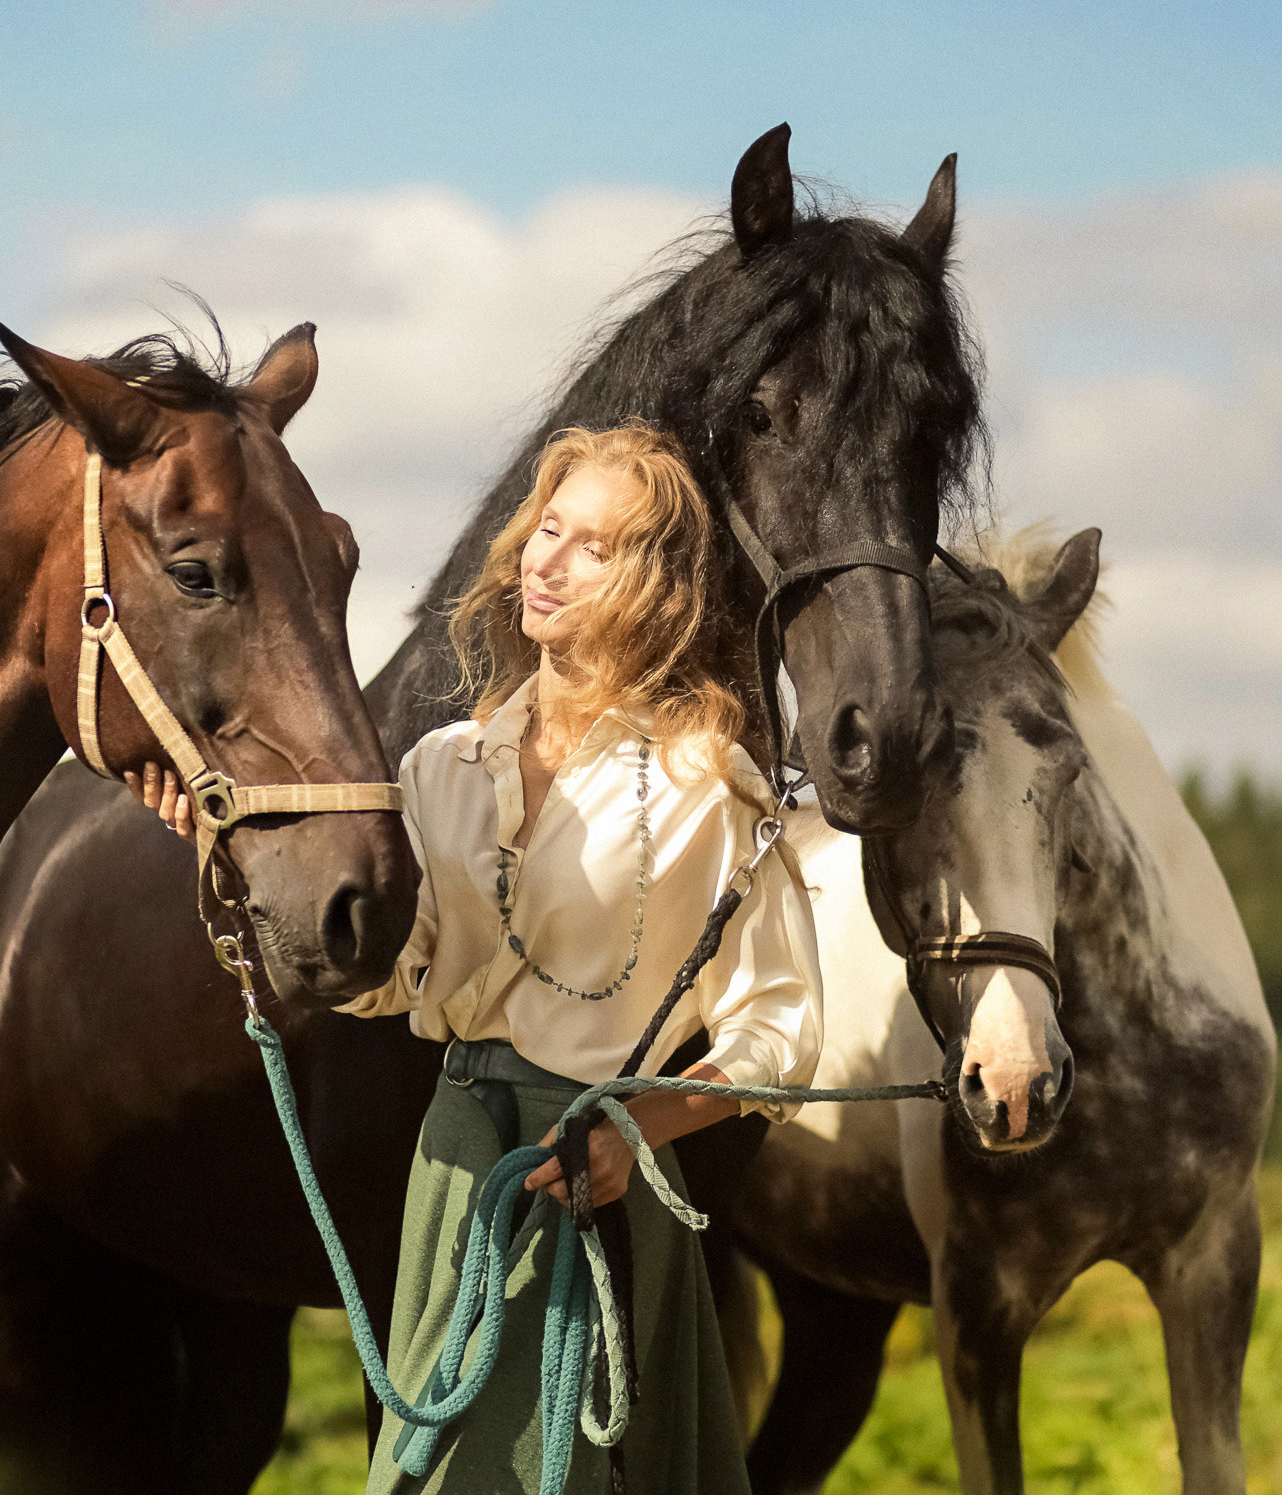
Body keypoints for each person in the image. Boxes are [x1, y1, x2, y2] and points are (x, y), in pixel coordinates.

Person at [142, 419, 822, 1493]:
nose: (547, 560)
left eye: (592, 544)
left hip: (602, 1173)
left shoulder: (710, 780)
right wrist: (230, 853)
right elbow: (392, 980)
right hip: (459, 1164)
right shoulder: (441, 766)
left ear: (651, 581)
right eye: (545, 529)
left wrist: (636, 1133)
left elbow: (779, 1035)